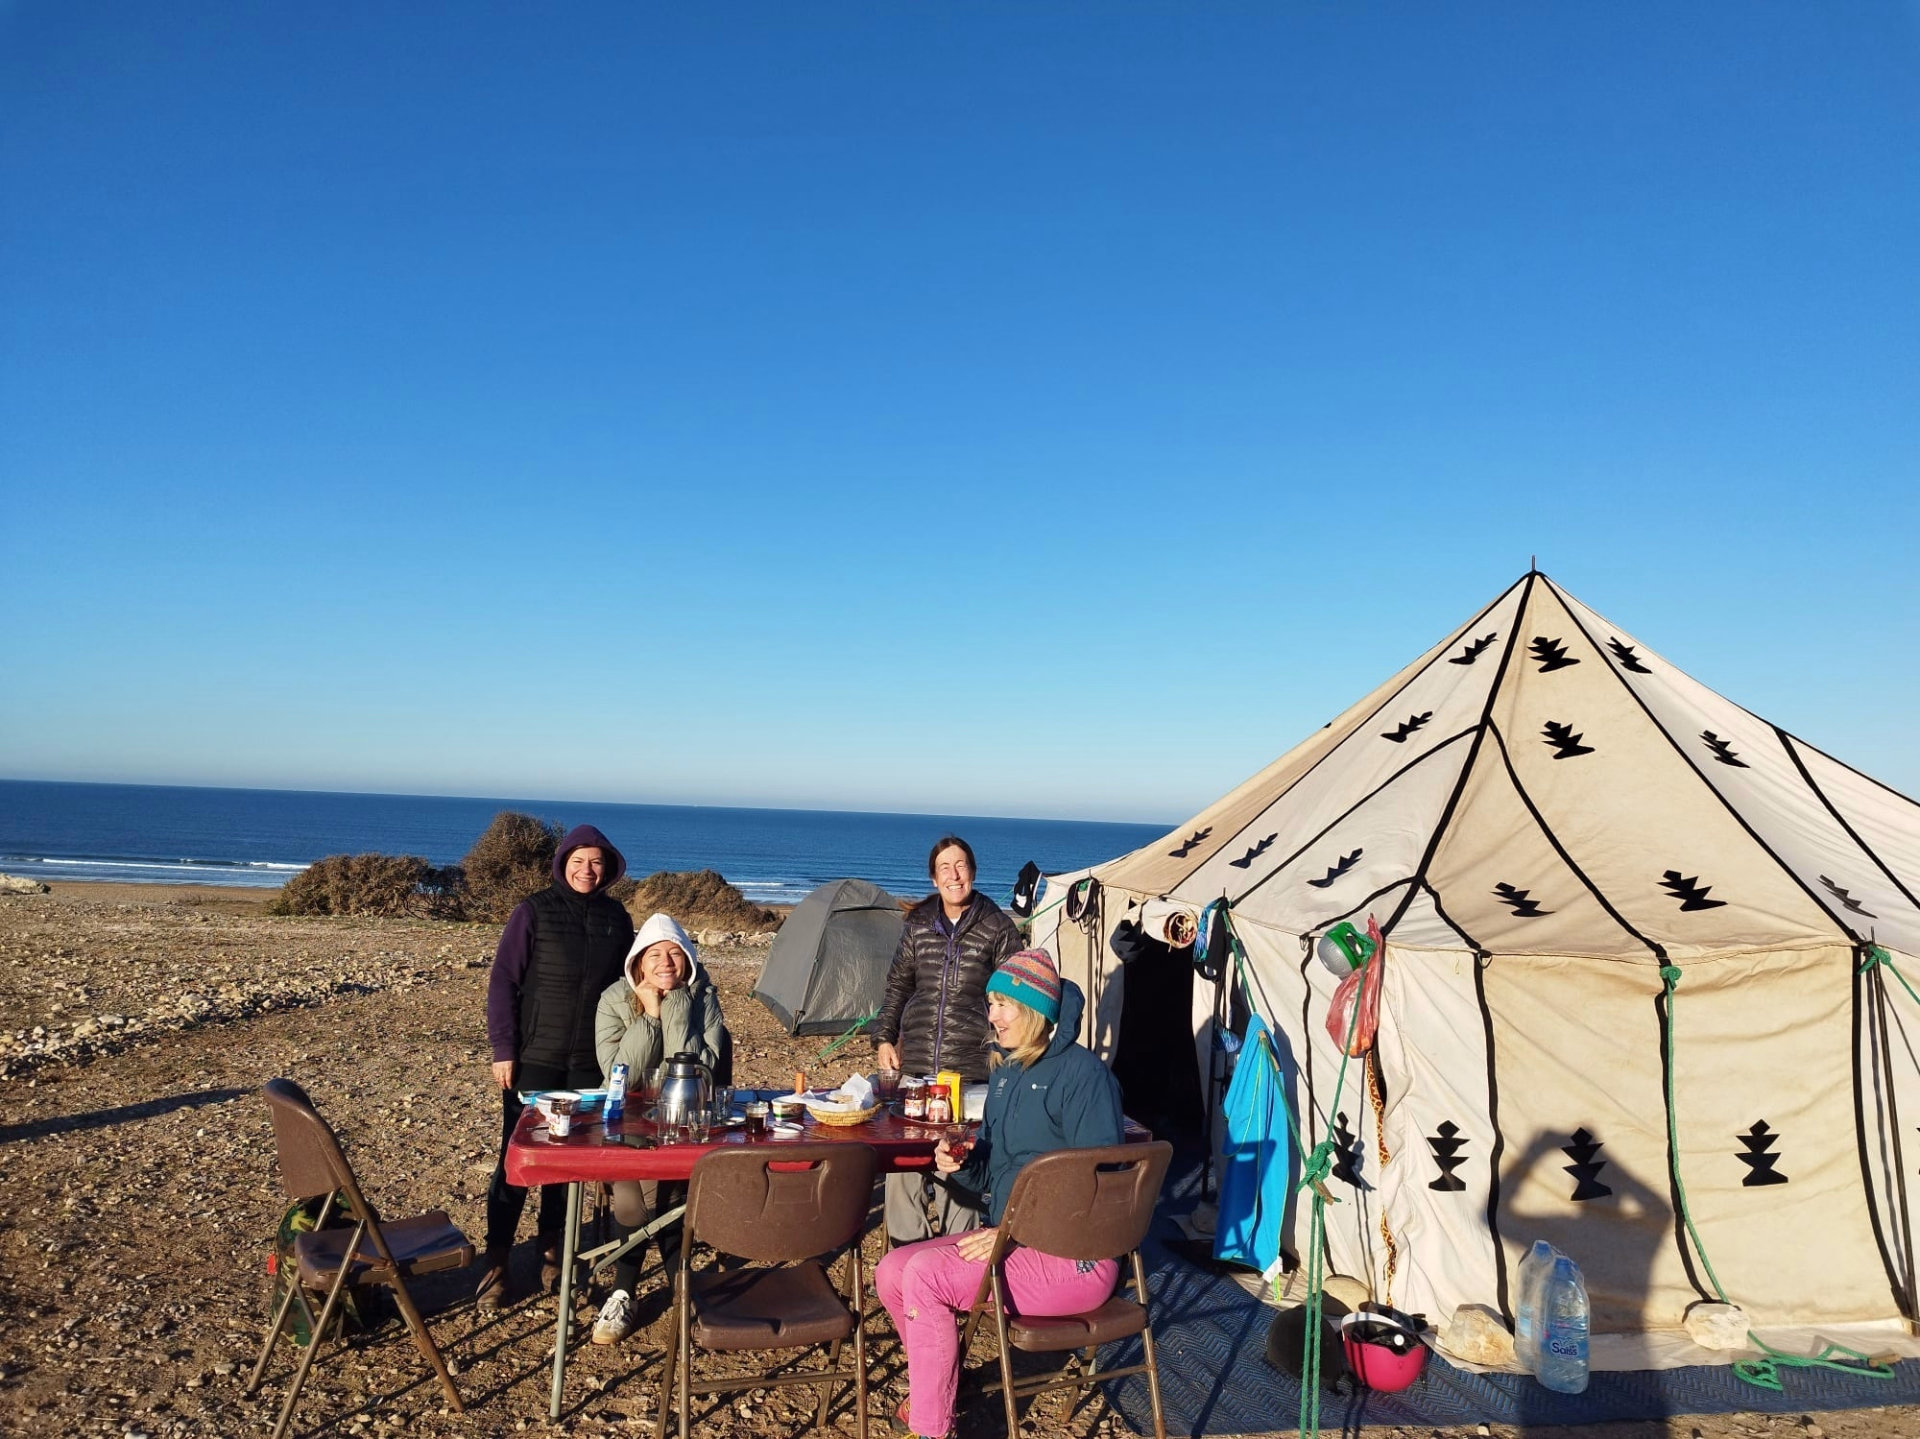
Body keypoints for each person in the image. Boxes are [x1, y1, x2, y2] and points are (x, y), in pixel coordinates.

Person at [875, 949, 1124, 1439]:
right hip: (1010, 1238)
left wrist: (1016, 1234)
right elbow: (993, 1176)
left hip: (1077, 1255)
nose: (991, 1016)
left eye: (1003, 1005)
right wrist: (961, 1166)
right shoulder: (1007, 1073)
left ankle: (932, 1428)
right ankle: (942, 1385)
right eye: (991, 1004)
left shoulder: (1084, 1076)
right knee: (892, 1271)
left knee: (925, 1276)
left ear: (1035, 1009)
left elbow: (1099, 1187)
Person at [477, 824, 635, 1310]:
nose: (588, 870)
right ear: (564, 862)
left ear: (607, 869)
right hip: (535, 1058)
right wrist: (504, 1049)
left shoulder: (617, 917)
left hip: (590, 1064)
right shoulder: (533, 911)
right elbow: (504, 981)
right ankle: (498, 1258)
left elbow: (627, 987)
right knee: (518, 1157)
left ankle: (554, 1251)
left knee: (568, 1164)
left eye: (597, 863)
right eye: (580, 861)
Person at [873, 834, 1022, 1245]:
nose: (954, 875)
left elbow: (1018, 996)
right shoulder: (919, 925)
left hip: (972, 1071)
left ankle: (957, 1257)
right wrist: (885, 1037)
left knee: (959, 1163)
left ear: (972, 871)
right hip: (917, 1070)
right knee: (904, 1167)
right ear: (934, 878)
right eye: (945, 868)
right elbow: (897, 987)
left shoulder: (997, 926)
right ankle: (906, 1255)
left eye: (960, 866)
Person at [588, 912, 726, 1345]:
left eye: (674, 953)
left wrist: (677, 1009)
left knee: (659, 1195)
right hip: (626, 1122)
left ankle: (628, 1290)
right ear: (638, 962)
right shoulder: (613, 999)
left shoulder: (702, 997)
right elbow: (618, 1075)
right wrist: (649, 1016)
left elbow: (702, 1069)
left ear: (687, 957)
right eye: (655, 954)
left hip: (689, 1122)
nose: (666, 962)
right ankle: (668, 1292)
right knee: (637, 1196)